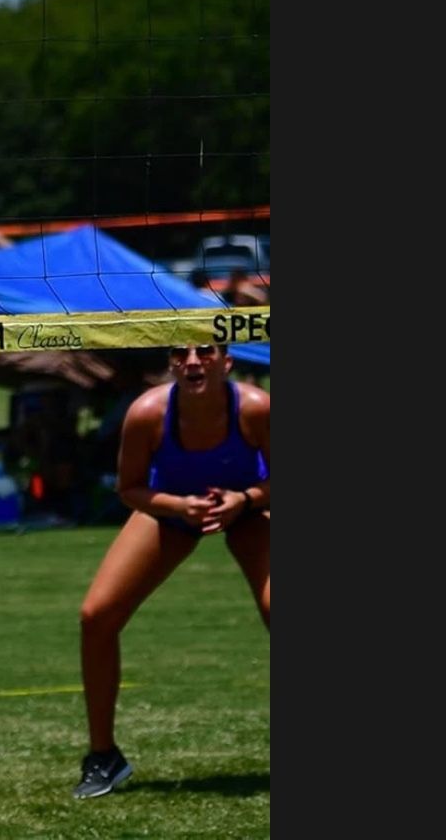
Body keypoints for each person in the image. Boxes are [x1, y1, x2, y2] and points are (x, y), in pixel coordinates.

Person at [73, 341, 269, 799]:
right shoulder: (146, 413)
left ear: (227, 361)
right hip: (172, 507)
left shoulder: (257, 408)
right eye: (181, 353)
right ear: (170, 363)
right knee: (95, 617)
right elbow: (130, 489)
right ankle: (104, 757)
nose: (194, 361)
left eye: (206, 351)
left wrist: (245, 500)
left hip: (248, 506)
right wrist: (181, 507)